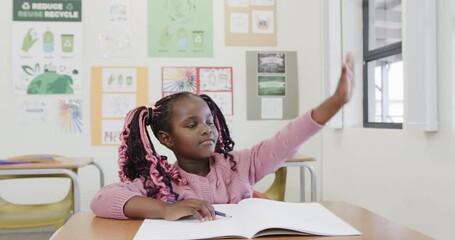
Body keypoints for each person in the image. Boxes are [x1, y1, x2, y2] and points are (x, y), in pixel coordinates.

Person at [91, 54, 355, 222]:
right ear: (166, 138)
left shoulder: (241, 165)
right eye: (191, 125)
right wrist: (163, 209)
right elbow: (101, 200)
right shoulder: (160, 183)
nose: (207, 130)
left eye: (209, 122)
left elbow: (286, 141)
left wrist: (335, 103)